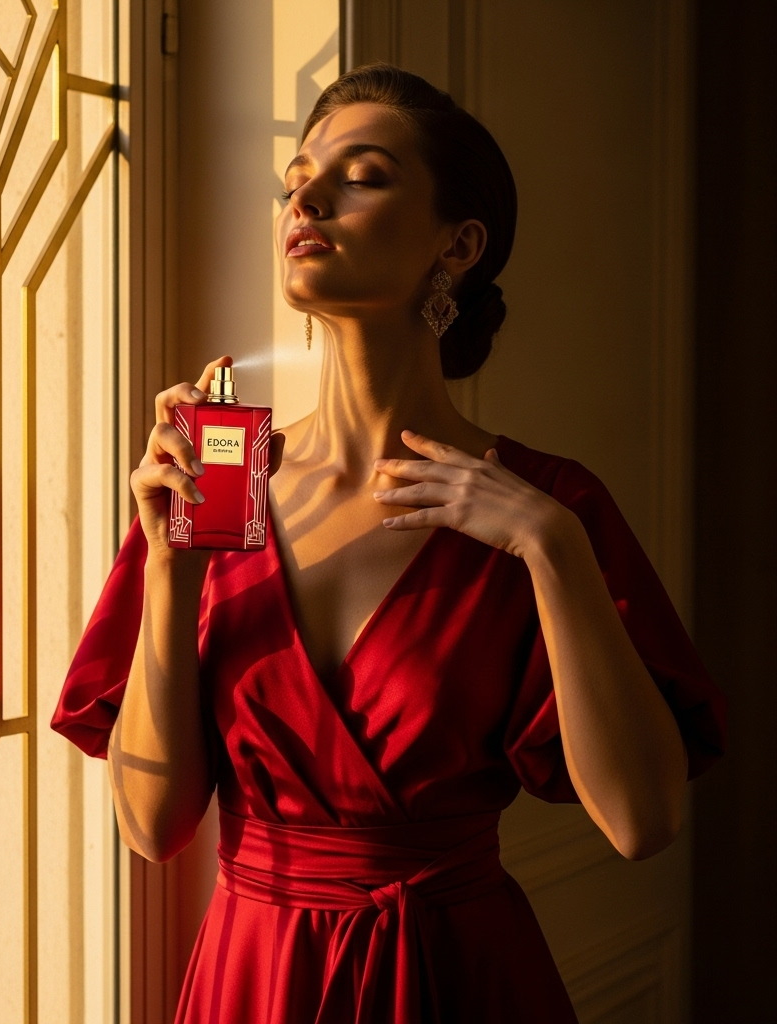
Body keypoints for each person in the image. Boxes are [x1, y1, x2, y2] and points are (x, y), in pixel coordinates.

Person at [52, 63, 726, 1023]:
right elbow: (153, 828)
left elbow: (642, 822)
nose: (307, 196)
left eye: (361, 174)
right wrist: (169, 568)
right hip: (256, 978)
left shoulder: (548, 506)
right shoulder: (223, 486)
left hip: (455, 977)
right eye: (295, 179)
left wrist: (551, 548)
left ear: (459, 243)